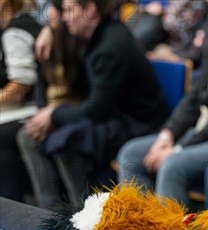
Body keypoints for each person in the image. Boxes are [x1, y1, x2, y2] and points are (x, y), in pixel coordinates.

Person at [17, 0, 169, 209]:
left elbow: (97, 109)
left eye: (69, 11)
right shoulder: (96, 32)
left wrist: (54, 114)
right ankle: (50, 213)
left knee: (65, 139)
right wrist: (49, 30)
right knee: (29, 135)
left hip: (136, 123)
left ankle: (83, 214)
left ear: (89, 10)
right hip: (111, 115)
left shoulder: (110, 47)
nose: (64, 17)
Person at [116, 0, 208, 208]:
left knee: (172, 165)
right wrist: (168, 134)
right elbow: (194, 97)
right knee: (131, 154)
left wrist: (179, 149)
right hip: (199, 132)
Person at [0, 0, 43, 201]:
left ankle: (12, 206)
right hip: (22, 109)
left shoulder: (15, 31)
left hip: (32, 109)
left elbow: (21, 84)